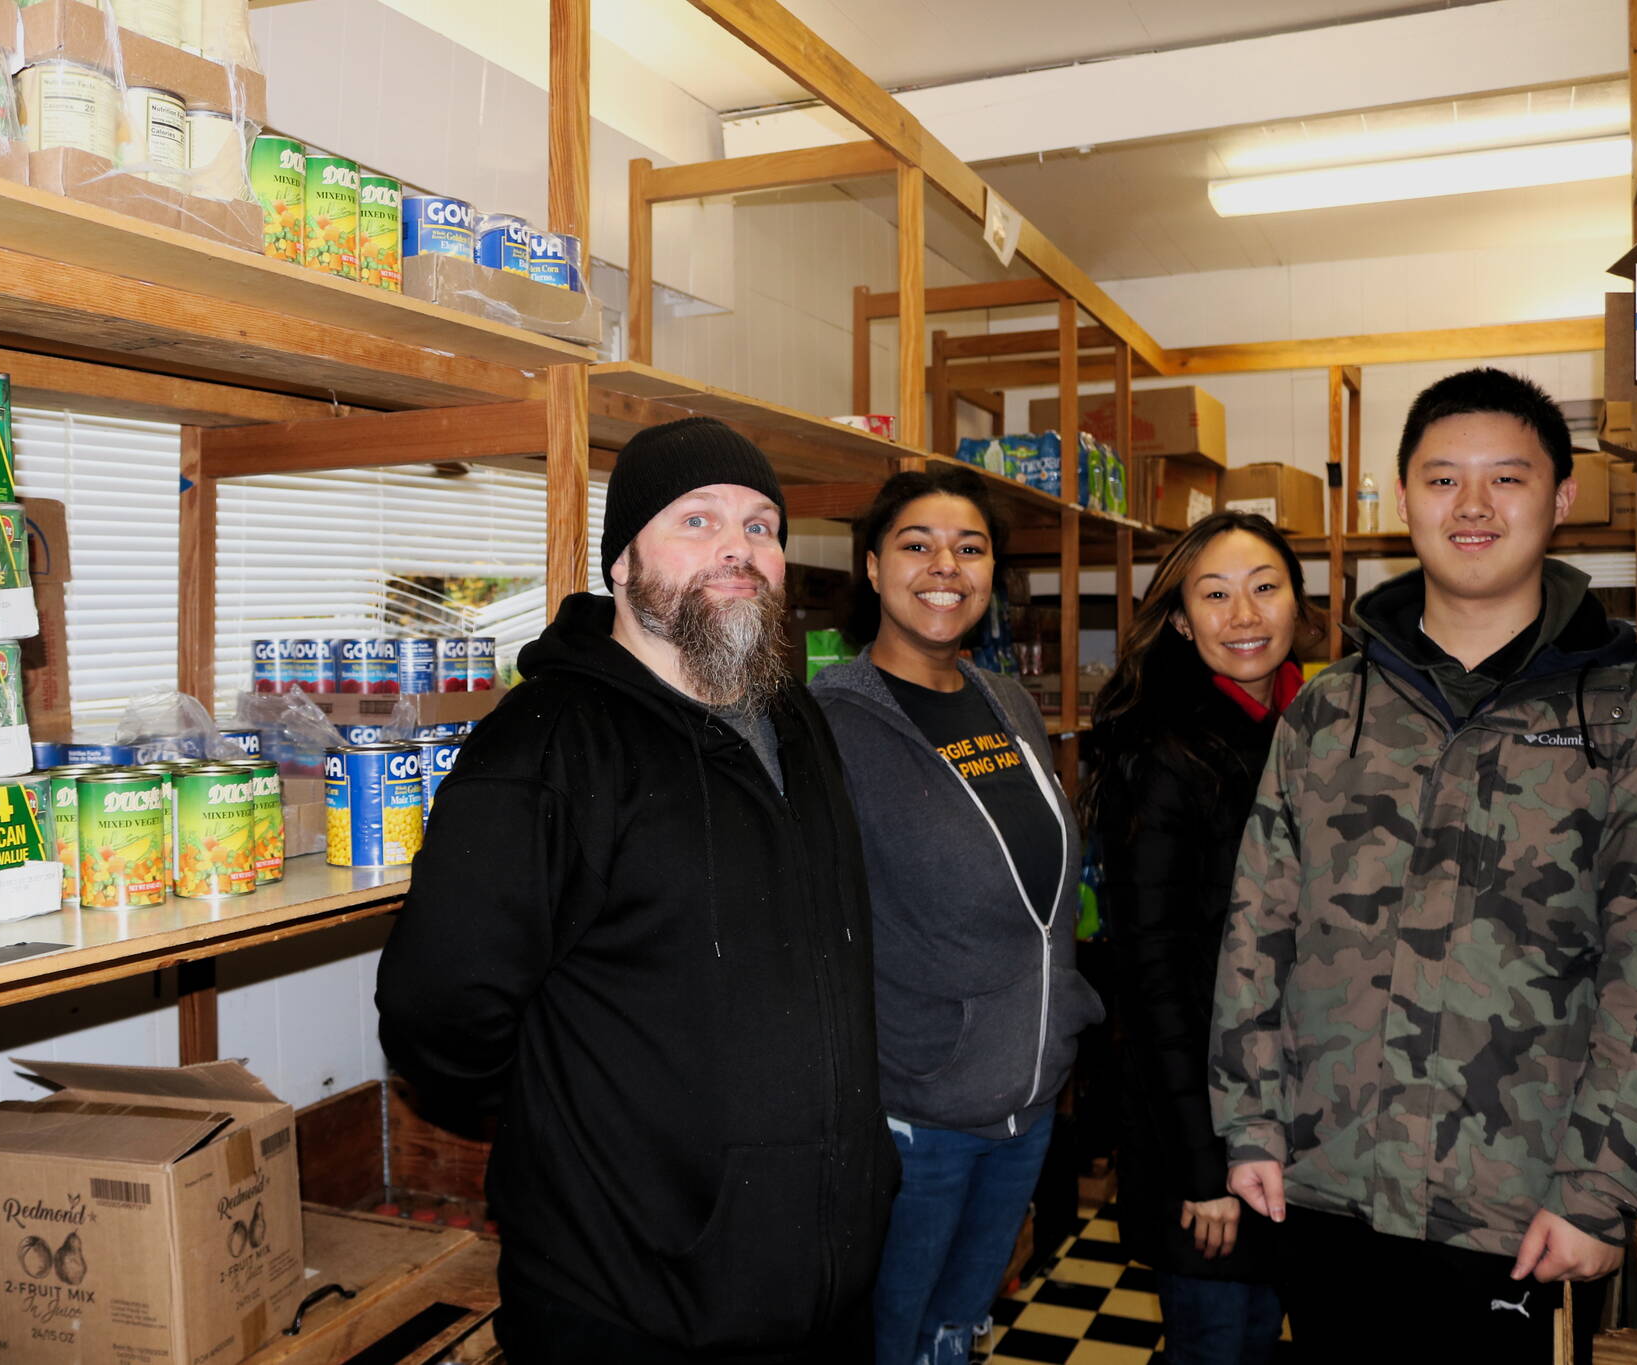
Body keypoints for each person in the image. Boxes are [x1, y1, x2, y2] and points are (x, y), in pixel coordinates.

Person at [1211, 368, 1637, 1362]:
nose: (1471, 507)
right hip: (1324, 1179)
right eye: (1441, 480)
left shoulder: (1628, 715)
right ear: (1402, 499)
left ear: (1558, 498)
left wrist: (1599, 1192)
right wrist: (1249, 1126)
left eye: (1505, 479)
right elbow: (1255, 931)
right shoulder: (1325, 709)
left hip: (1511, 1208)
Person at [376, 415, 894, 1365]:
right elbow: (436, 1010)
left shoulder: (795, 718)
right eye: (696, 520)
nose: (738, 548)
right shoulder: (547, 744)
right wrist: (589, 1136)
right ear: (621, 563)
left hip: (822, 1289)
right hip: (631, 1306)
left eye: (762, 526)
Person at [812, 466, 1102, 1365]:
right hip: (920, 1112)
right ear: (870, 568)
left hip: (1026, 1106)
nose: (946, 564)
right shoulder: (829, 722)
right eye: (917, 544)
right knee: (892, 1340)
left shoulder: (1004, 699)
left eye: (969, 547)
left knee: (958, 1331)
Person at [1083, 512, 1305, 1364]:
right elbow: (1153, 982)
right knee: (1219, 1343)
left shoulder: (1304, 728)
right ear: (1179, 618)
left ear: (1298, 603)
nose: (1243, 614)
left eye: (1264, 588)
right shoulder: (1165, 750)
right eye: (1214, 595)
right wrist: (1203, 1169)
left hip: (1284, 1128)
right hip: (1199, 1133)